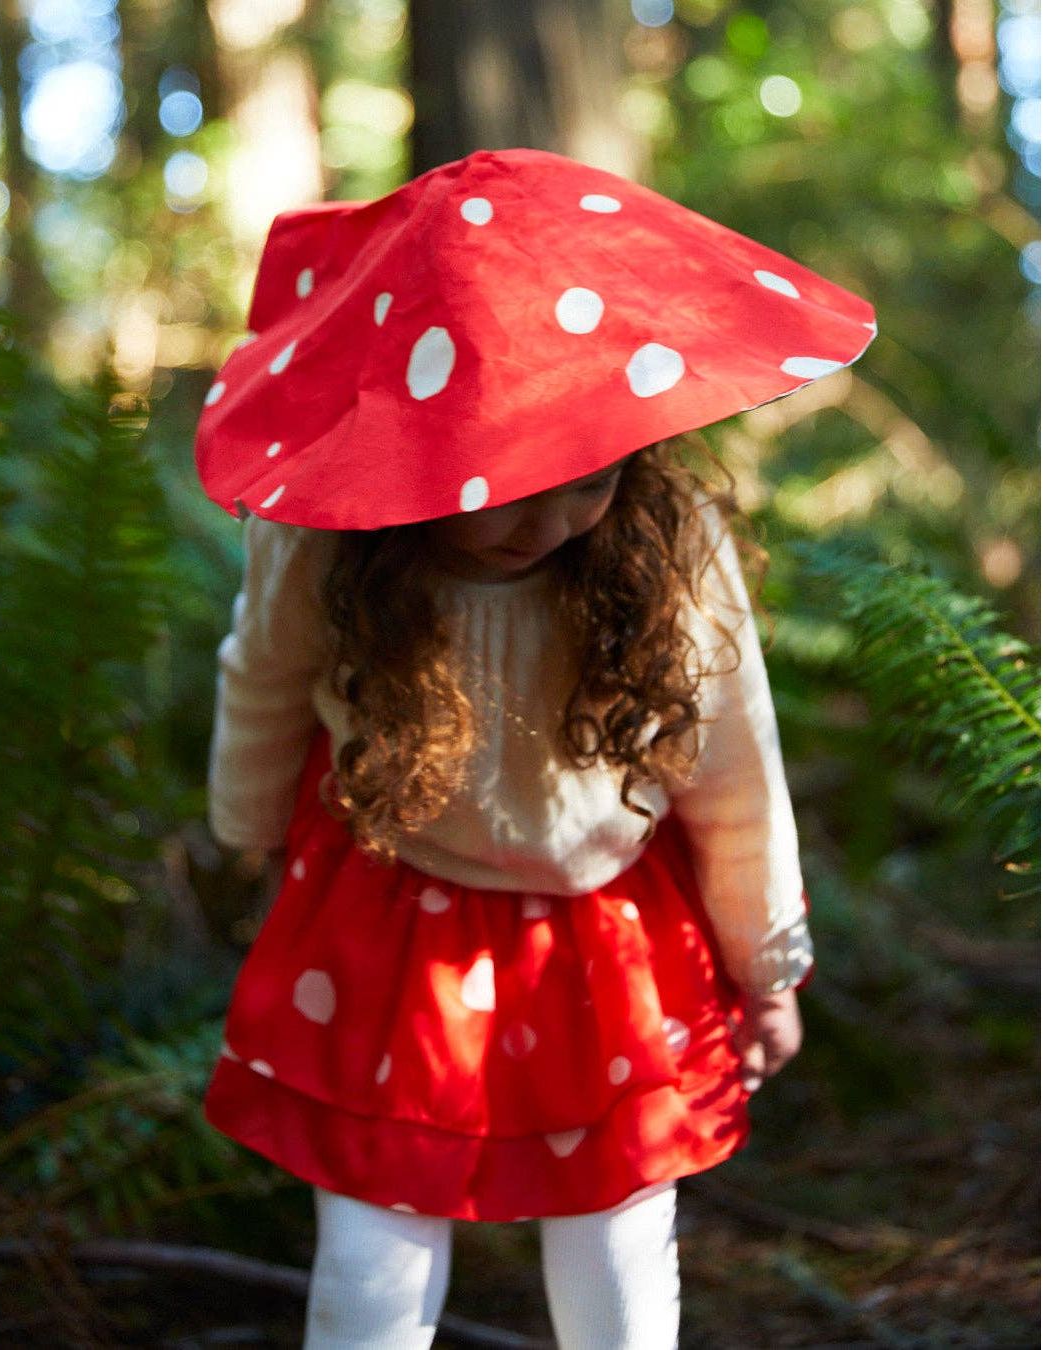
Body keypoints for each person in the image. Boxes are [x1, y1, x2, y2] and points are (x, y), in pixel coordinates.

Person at [194, 148, 875, 1349]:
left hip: (607, 926)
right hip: (390, 911)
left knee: (618, 1240)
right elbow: (266, 681)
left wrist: (766, 966)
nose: (542, 520)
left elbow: (733, 765)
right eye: (501, 475)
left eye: (588, 475)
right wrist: (244, 836)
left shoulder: (670, 551)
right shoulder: (327, 540)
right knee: (371, 1258)